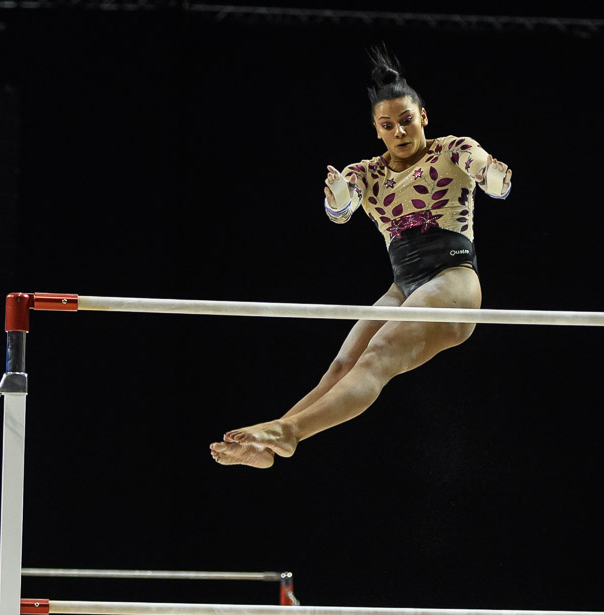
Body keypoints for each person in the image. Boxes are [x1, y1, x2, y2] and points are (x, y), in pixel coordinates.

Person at [210, 46, 511, 467]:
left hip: (453, 279)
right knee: (341, 365)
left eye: (407, 121)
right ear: (376, 130)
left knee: (378, 354)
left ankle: (288, 432)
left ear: (423, 116)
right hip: (403, 285)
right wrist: (337, 196)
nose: (400, 132)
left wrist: (495, 176)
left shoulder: (452, 149)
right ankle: (269, 441)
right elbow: (340, 212)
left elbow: (492, 180)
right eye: (388, 126)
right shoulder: (364, 173)